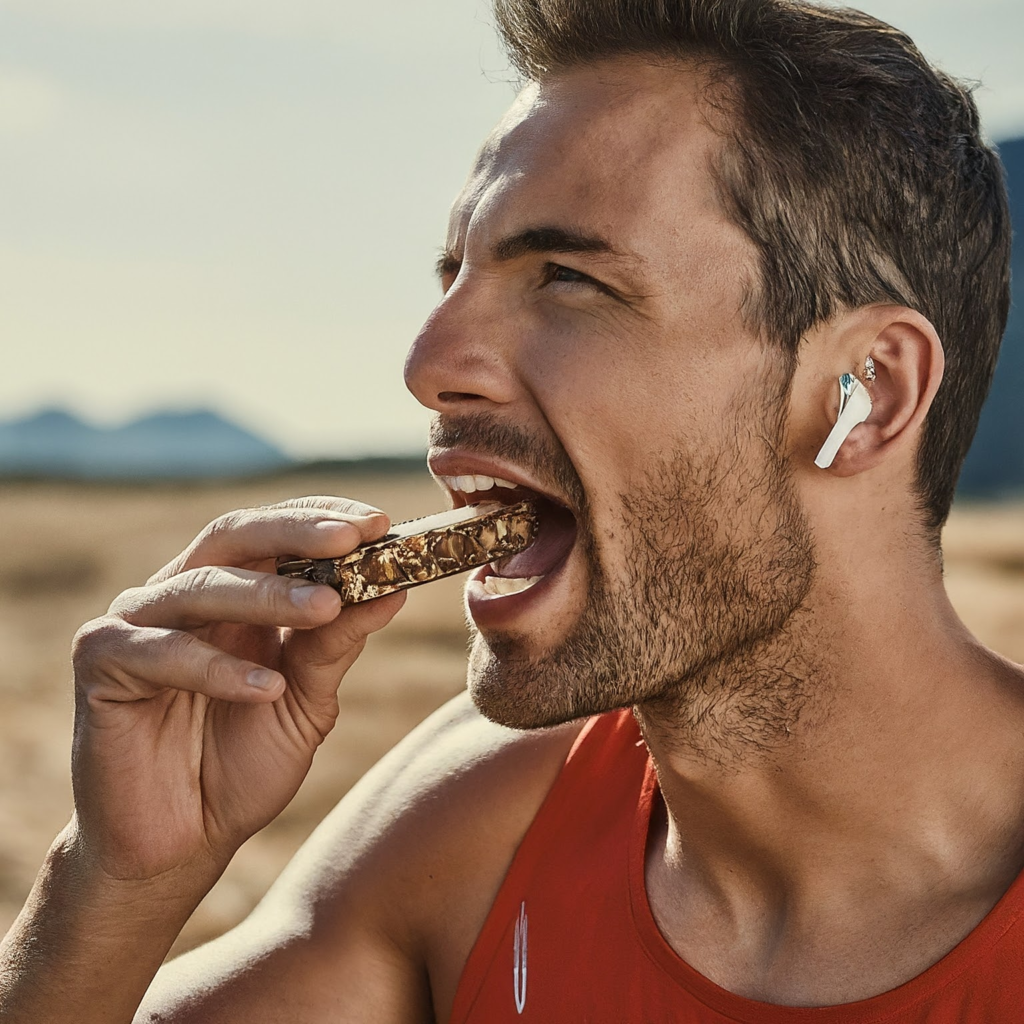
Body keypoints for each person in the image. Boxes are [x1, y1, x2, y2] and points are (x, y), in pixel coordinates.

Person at [0, 0, 1019, 1020]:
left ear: (867, 392)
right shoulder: (479, 835)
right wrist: (116, 883)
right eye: (454, 278)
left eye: (567, 278)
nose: (428, 366)